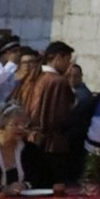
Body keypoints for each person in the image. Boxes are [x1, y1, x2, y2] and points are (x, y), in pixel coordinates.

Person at [24, 41, 76, 186]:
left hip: (28, 140)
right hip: (51, 145)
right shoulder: (58, 81)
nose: (68, 65)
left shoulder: (31, 78)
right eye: (67, 60)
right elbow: (63, 115)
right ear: (58, 57)